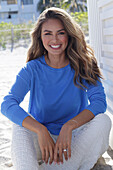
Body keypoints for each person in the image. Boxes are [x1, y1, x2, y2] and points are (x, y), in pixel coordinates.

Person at [1, 7, 111, 170]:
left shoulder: (83, 65)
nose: (55, 40)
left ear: (69, 34)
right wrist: (41, 130)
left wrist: (69, 126)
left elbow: (99, 102)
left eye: (61, 33)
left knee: (103, 120)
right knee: (20, 125)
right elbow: (8, 104)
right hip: (42, 142)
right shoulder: (32, 69)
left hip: (73, 140)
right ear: (40, 36)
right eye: (48, 33)